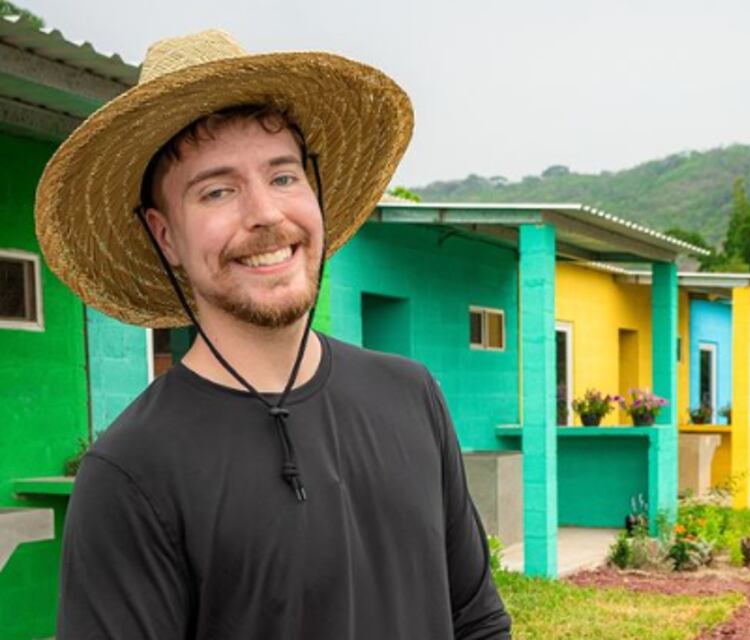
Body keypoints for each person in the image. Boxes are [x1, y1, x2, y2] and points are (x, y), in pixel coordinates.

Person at [35, 29, 511, 639]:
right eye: (217, 191)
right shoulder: (131, 473)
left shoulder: (411, 395)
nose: (265, 213)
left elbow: (476, 619)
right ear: (165, 236)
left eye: (283, 177)